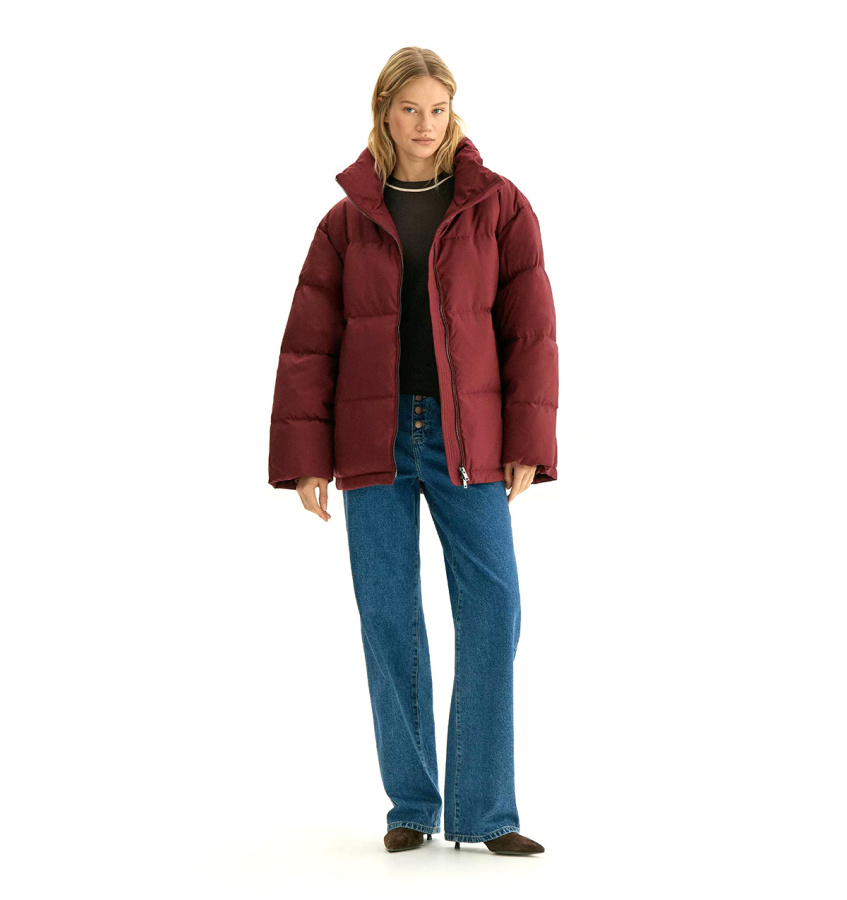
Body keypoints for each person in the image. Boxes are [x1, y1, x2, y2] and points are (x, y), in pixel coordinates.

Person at [268, 47, 558, 856]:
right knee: (388, 617)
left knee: (493, 609)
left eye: (436, 109)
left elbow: (530, 332)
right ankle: (411, 804)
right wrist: (306, 458)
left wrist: (527, 442)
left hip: (471, 441)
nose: (424, 124)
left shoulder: (500, 207)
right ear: (384, 113)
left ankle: (485, 810)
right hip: (374, 440)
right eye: (408, 109)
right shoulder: (346, 221)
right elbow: (309, 345)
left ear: (450, 111)